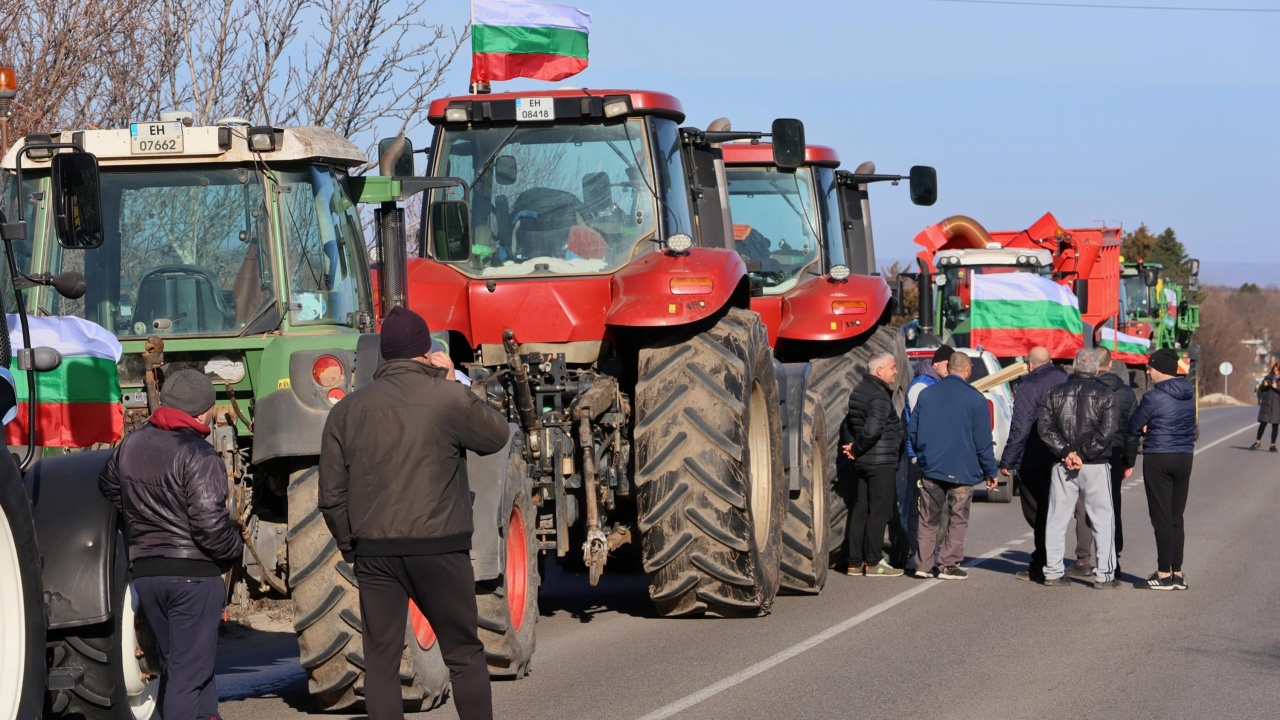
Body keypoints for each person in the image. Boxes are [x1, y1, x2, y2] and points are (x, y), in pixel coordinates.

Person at [319, 306, 510, 720]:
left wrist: (352, 547)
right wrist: (454, 380)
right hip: (440, 548)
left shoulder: (345, 411)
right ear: (427, 353)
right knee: (463, 653)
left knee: (382, 661)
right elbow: (496, 436)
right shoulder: (448, 398)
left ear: (386, 355)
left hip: (375, 552)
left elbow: (331, 495)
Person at [99, 369, 243, 720]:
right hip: (192, 578)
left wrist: (140, 520)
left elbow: (107, 484)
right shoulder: (199, 454)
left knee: (189, 670)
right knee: (186, 678)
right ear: (203, 411)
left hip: (148, 575)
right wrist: (234, 548)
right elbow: (210, 528)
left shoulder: (131, 444)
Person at [908, 352, 998, 580]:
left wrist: (920, 457)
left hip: (932, 467)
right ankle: (949, 564)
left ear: (948, 368)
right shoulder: (976, 399)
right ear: (967, 370)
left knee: (928, 518)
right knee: (958, 518)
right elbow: (983, 441)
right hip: (963, 470)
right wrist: (990, 471)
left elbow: (913, 431)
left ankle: (923, 565)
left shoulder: (927, 395)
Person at [1036, 348, 1120, 589]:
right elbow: (1107, 431)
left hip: (1062, 464)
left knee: (1056, 518)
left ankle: (1052, 571)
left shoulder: (1054, 393)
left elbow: (1045, 428)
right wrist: (1083, 454)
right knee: (1103, 518)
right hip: (1095, 464)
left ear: (1074, 367)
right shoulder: (1106, 394)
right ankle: (1104, 574)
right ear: (1096, 369)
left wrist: (1066, 452)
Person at [1129, 347, 1197, 591]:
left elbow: (1133, 425)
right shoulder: (1188, 393)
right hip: (1184, 456)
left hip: (1159, 456)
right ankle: (1177, 572)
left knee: (1161, 518)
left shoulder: (1153, 397)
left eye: (1150, 367)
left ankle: (1163, 574)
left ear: (1158, 369)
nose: (1147, 371)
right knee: (1176, 516)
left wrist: (1146, 427)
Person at [840, 351, 905, 577]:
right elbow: (873, 429)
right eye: (892, 367)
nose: (896, 371)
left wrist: (854, 449)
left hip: (864, 461)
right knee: (880, 510)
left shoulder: (859, 390)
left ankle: (854, 563)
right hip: (880, 461)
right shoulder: (878, 395)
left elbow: (850, 423)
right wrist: (857, 448)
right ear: (879, 370)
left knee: (860, 510)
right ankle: (874, 561)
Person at [895, 344, 952, 570]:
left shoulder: (936, 383)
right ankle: (914, 554)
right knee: (919, 506)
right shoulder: (921, 386)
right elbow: (923, 424)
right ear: (937, 362)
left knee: (932, 507)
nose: (949, 369)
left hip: (932, 454)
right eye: (947, 364)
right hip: (919, 456)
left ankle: (929, 553)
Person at [1095, 347, 1139, 573]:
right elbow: (1133, 431)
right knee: (1113, 506)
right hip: (1116, 455)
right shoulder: (1127, 393)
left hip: (1091, 456)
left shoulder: (1089, 390)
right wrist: (1129, 461)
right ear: (1110, 365)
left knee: (1088, 508)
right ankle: (1114, 557)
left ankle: (1089, 558)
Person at [1251, 361, 1280, 451]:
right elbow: (1261, 390)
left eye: (1277, 370)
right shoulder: (1268, 377)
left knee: (1275, 425)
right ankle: (1258, 441)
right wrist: (1264, 386)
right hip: (1267, 404)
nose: (1275, 372)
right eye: (1274, 370)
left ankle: (1272, 445)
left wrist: (1277, 388)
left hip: (1277, 404)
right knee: (1263, 423)